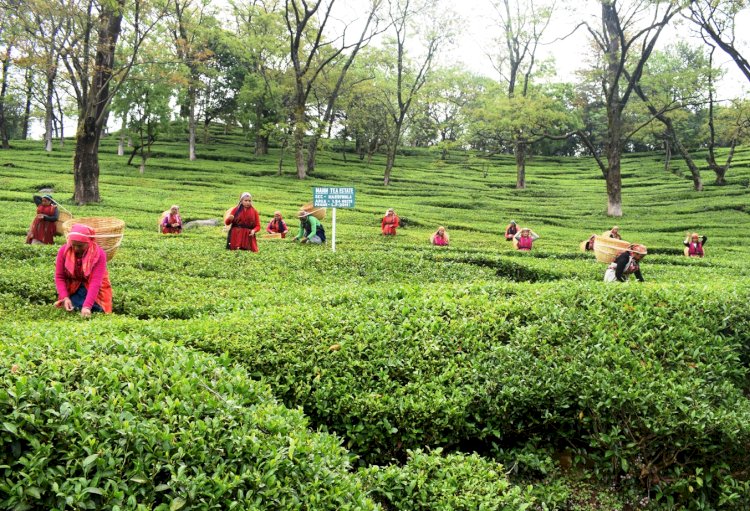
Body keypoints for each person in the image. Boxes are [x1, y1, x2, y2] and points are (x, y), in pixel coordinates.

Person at [54, 223, 112, 317]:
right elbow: (59, 276)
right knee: (72, 306)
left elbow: (95, 282)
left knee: (97, 309)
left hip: (94, 289)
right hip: (73, 287)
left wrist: (87, 306)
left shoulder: (99, 254)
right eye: (73, 245)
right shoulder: (63, 251)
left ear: (89, 242)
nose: (76, 249)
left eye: (80, 246)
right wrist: (65, 297)